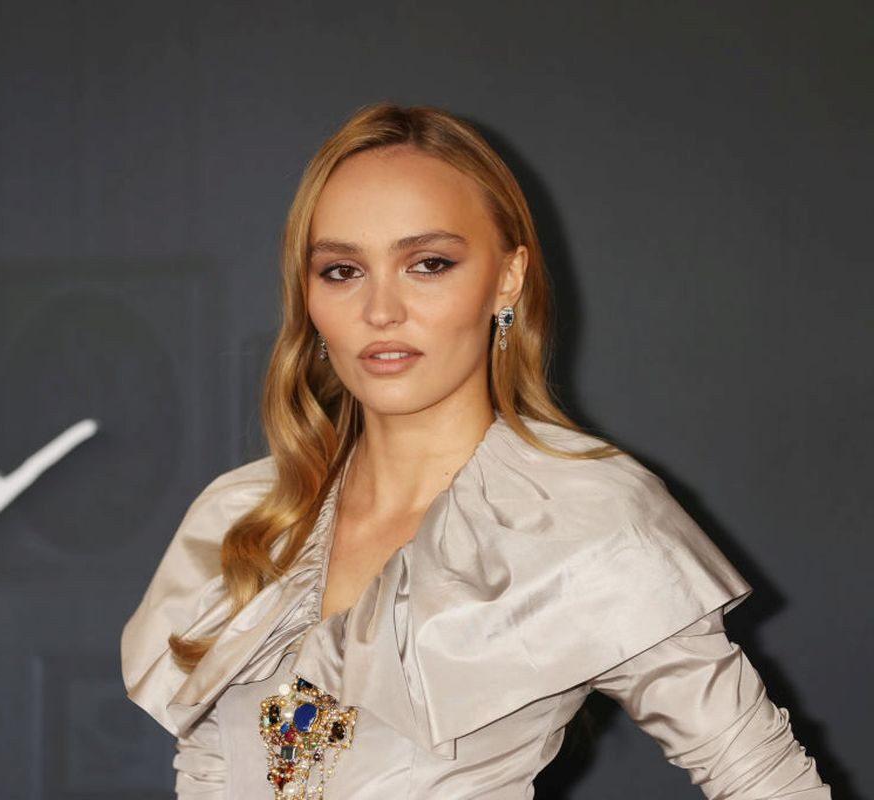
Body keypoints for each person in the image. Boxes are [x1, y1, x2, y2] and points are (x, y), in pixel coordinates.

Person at [119, 103, 831, 799]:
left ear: (508, 278)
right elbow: (210, 773)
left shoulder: (579, 516)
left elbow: (764, 779)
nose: (380, 310)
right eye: (341, 270)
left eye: (428, 263)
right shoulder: (246, 517)